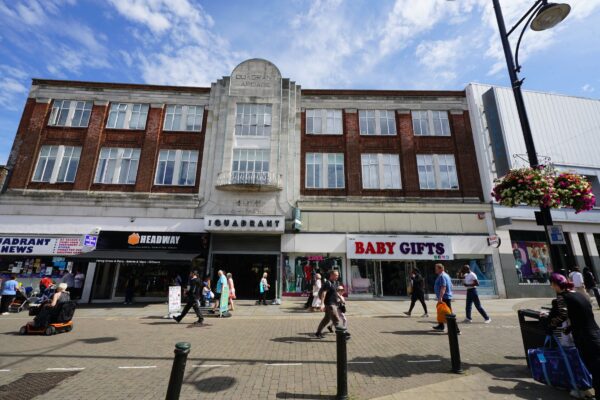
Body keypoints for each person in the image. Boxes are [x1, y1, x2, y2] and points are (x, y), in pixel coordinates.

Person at [545, 273, 600, 398]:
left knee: (592, 365)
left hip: (584, 337)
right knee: (596, 364)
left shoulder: (562, 297)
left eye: (552, 285)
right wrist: (570, 327)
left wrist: (550, 326)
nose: (552, 287)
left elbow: (562, 316)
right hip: (595, 332)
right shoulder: (578, 294)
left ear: (555, 284)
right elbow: (583, 314)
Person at [314, 270, 345, 339]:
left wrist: (340, 298)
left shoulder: (335, 283)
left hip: (334, 303)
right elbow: (323, 293)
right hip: (330, 304)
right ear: (331, 275)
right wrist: (322, 304)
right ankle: (342, 336)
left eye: (338, 275)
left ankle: (318, 333)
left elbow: (335, 293)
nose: (337, 276)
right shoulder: (328, 283)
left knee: (326, 319)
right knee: (336, 320)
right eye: (336, 275)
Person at [432, 264, 459, 333]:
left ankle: (456, 329)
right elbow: (451, 285)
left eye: (436, 268)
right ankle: (441, 326)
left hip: (444, 297)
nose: (435, 270)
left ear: (440, 269)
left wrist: (440, 297)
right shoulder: (446, 275)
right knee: (441, 311)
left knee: (449, 313)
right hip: (445, 296)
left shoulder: (442, 276)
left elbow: (443, 287)